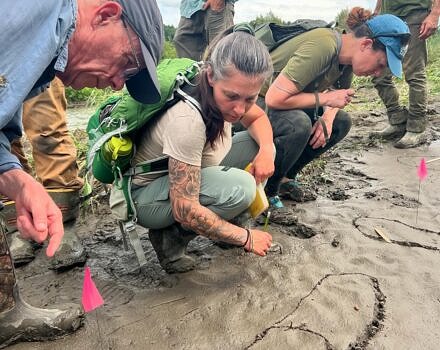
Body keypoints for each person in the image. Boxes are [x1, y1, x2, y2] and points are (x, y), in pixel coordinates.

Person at [0, 0, 163, 346]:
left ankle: (3, 313)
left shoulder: (45, 64)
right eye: (127, 66)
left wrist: (17, 179)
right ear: (105, 15)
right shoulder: (29, 12)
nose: (119, 85)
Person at [111, 26, 274, 274]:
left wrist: (267, 150)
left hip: (187, 165)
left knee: (255, 144)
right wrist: (245, 237)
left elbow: (257, 118)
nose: (240, 109)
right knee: (241, 188)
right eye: (231, 96)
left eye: (250, 98)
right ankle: (170, 239)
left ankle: (227, 217)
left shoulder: (229, 90)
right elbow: (184, 209)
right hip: (144, 194)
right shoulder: (188, 122)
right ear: (210, 77)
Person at [258, 8, 410, 210]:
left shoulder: (347, 60)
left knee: (341, 122)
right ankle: (267, 190)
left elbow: (338, 97)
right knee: (298, 124)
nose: (377, 72)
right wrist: (327, 98)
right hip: (253, 104)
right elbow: (274, 98)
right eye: (380, 64)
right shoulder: (324, 45)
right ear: (366, 44)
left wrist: (328, 117)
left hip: (282, 104)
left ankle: (286, 178)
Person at [6, 77, 86, 270]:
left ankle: (63, 224)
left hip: (33, 52)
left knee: (47, 132)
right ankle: (16, 227)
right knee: (5, 144)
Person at [370, 0, 440, 148]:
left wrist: (435, 13)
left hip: (414, 14)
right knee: (379, 74)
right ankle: (397, 120)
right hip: (388, 17)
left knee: (414, 74)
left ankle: (416, 127)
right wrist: (377, 10)